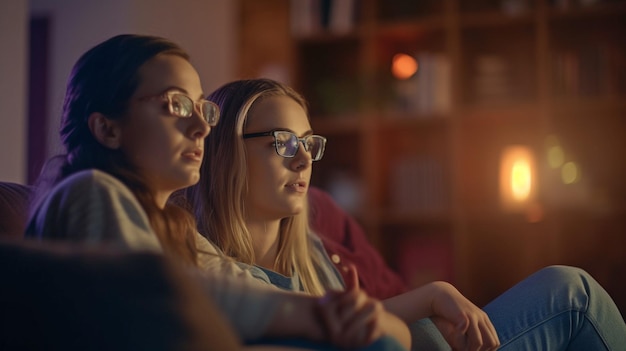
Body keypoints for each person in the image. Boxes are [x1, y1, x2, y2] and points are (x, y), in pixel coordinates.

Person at [23, 34, 410, 351]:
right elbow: (159, 292)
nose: (201, 127)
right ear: (107, 129)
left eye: (201, 109)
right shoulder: (88, 190)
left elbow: (236, 283)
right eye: (175, 105)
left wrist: (339, 311)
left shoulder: (175, 227)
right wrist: (319, 315)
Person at [185, 78, 626, 350]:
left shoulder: (311, 249)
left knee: (568, 287)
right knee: (573, 296)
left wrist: (435, 318)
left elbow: (373, 324)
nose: (303, 161)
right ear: (225, 152)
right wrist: (432, 294)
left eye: (309, 143)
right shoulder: (206, 264)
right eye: (283, 142)